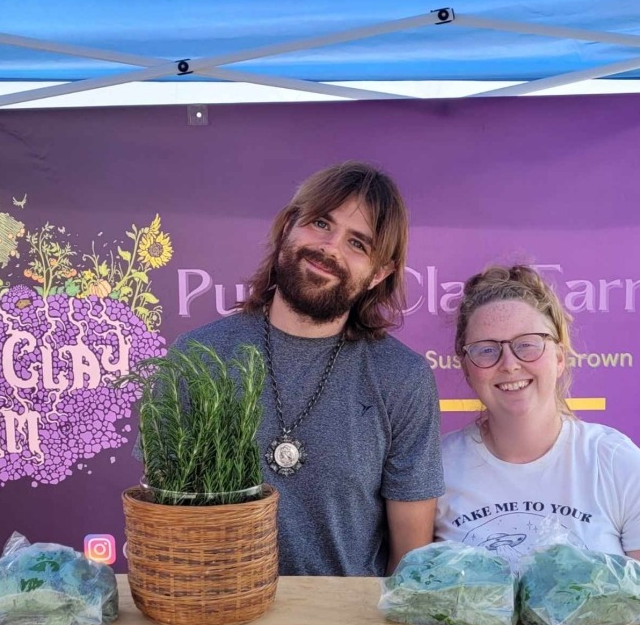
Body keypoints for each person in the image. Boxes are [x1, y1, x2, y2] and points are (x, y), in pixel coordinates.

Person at [176, 161, 444, 577]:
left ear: (380, 273)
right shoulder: (199, 357)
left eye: (358, 244)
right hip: (218, 623)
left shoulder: (402, 378)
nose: (330, 248)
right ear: (288, 225)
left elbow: (409, 561)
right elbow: (168, 521)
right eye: (321, 223)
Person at [434, 265, 640, 625]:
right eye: (486, 350)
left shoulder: (617, 463)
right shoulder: (436, 468)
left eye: (528, 343)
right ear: (466, 368)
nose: (509, 363)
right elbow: (408, 612)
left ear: (559, 356)